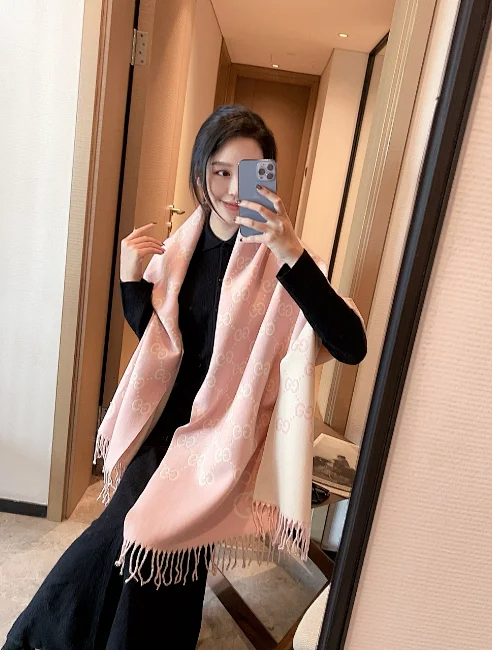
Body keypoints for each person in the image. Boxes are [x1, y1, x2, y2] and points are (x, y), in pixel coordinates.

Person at [3, 105, 366, 650]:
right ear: (201, 171)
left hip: (223, 438)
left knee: (151, 539)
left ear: (268, 176)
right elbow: (157, 341)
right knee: (128, 539)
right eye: (220, 171)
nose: (233, 189)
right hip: (162, 429)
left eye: (248, 173)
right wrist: (130, 281)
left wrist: (289, 251)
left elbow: (350, 344)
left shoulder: (283, 259)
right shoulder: (181, 248)